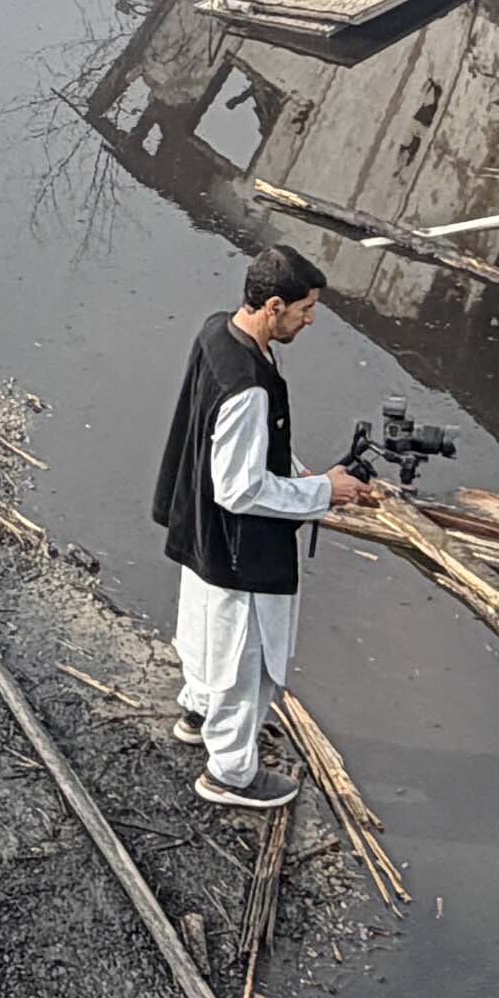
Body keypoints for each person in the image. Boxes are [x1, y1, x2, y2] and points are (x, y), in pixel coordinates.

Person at [154, 245, 389, 812]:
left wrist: (299, 471)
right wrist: (324, 492)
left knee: (202, 626)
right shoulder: (250, 387)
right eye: (305, 310)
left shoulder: (219, 333)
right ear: (274, 305)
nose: (310, 321)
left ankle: (197, 710)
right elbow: (239, 488)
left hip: (199, 528)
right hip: (239, 550)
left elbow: (227, 446)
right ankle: (230, 773)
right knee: (245, 661)